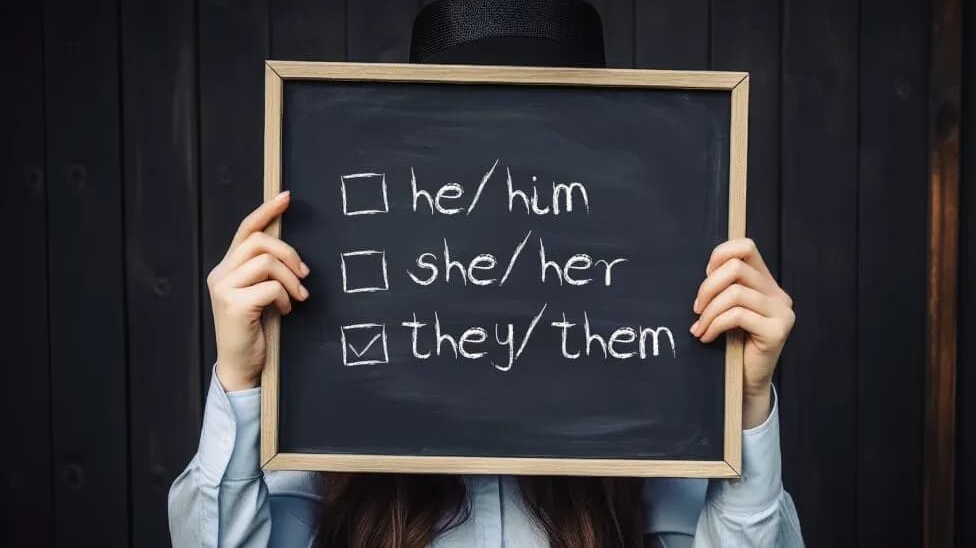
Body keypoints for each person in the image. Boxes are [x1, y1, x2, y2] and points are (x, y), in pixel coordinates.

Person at [167, 191, 804, 547]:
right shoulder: (327, 427)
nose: (500, 246)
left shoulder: (653, 441)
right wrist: (240, 382)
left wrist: (744, 404)